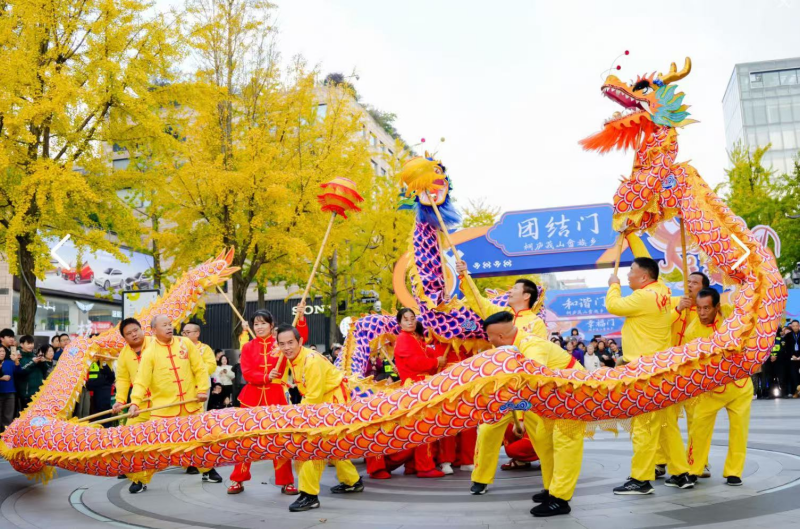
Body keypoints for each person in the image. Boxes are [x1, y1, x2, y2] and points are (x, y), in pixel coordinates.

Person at [479, 311, 584, 517]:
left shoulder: (531, 345)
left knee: (565, 445)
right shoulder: (512, 347)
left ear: (499, 336)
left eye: (489, 336)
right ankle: (551, 489)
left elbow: (535, 375)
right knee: (544, 443)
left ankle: (561, 499)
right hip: (547, 398)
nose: (488, 340)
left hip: (571, 393)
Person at [606, 256, 693, 494]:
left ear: (644, 276)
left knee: (643, 426)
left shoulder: (643, 296)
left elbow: (613, 306)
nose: (627, 275)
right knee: (666, 425)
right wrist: (679, 305)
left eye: (631, 271)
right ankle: (681, 473)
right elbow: (665, 314)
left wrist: (613, 285)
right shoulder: (662, 292)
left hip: (644, 371)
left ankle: (641, 479)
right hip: (659, 369)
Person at [275, 324, 364, 512]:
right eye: (282, 344)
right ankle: (352, 481)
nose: (286, 347)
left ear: (300, 341)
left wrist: (294, 417)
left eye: (290, 342)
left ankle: (309, 495)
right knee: (332, 445)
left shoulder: (311, 360)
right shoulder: (295, 357)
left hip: (331, 401)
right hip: (325, 399)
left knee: (310, 447)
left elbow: (313, 397)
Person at [127, 315, 217, 492]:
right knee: (153, 446)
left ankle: (208, 469)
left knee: (201, 440)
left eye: (170, 324)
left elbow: (199, 368)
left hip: (191, 405)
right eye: (164, 325)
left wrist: (202, 389)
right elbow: (141, 381)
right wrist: (135, 402)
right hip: (164, 410)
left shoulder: (185, 343)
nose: (169, 327)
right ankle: (140, 479)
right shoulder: (149, 352)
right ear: (153, 331)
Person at [681, 288, 752, 487]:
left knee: (739, 430)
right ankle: (694, 469)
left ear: (717, 307)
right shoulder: (691, 332)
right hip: (711, 389)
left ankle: (734, 472)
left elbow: (747, 305)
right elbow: (692, 364)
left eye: (706, 308)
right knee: (698, 428)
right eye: (699, 308)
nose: (702, 313)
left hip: (739, 385)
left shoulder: (730, 315)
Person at [368, 309, 446, 480]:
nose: (410, 322)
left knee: (420, 429)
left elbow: (426, 354)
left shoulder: (415, 339)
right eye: (406, 319)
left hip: (421, 388)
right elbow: (415, 362)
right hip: (414, 390)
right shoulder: (403, 339)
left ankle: (413, 465)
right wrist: (435, 362)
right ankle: (424, 466)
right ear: (400, 323)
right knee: (423, 428)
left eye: (412, 318)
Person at [227, 309, 298, 496]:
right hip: (251, 397)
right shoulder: (248, 347)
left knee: (280, 440)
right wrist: (266, 376)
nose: (259, 327)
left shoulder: (281, 345)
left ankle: (286, 481)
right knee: (244, 440)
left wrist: (302, 317)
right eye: (256, 324)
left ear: (271, 325)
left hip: (276, 397)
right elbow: (247, 372)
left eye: (263, 323)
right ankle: (238, 479)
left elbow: (299, 339)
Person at [112, 318, 155, 488]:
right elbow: (122, 379)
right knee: (129, 436)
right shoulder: (123, 354)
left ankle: (207, 469)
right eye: (128, 333)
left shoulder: (156, 344)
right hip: (139, 404)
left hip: (165, 401)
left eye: (136, 330)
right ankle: (138, 478)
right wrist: (120, 401)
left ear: (142, 329)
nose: (134, 334)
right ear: (124, 338)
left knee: (186, 434)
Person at [455, 260, 547, 339]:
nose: (509, 291)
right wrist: (465, 276)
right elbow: (478, 301)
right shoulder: (500, 314)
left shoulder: (536, 323)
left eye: (515, 289)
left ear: (526, 296)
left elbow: (539, 353)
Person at [19, 336, 48, 410]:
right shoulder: (19, 357)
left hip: (39, 392)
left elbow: (45, 371)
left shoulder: (35, 355)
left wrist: (43, 362)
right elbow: (22, 371)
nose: (31, 346)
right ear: (22, 345)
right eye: (28, 344)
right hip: (27, 393)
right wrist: (33, 362)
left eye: (32, 343)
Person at [87, 355, 115, 422]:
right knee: (97, 413)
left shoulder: (103, 362)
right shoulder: (90, 361)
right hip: (95, 390)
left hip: (102, 390)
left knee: (103, 414)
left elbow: (111, 376)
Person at [0, 346, 20, 431]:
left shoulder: (9, 362)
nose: (2, 353)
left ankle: (6, 436)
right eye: (0, 351)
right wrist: (1, 378)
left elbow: (19, 371)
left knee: (8, 415)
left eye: (3, 351)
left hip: (10, 392)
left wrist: (16, 360)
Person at [784, 320, 800, 397]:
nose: (795, 327)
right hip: (792, 358)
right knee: (794, 375)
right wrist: (792, 355)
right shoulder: (788, 336)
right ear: (791, 327)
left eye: (797, 325)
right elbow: (786, 348)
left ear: (799, 326)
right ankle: (795, 392)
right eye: (793, 326)